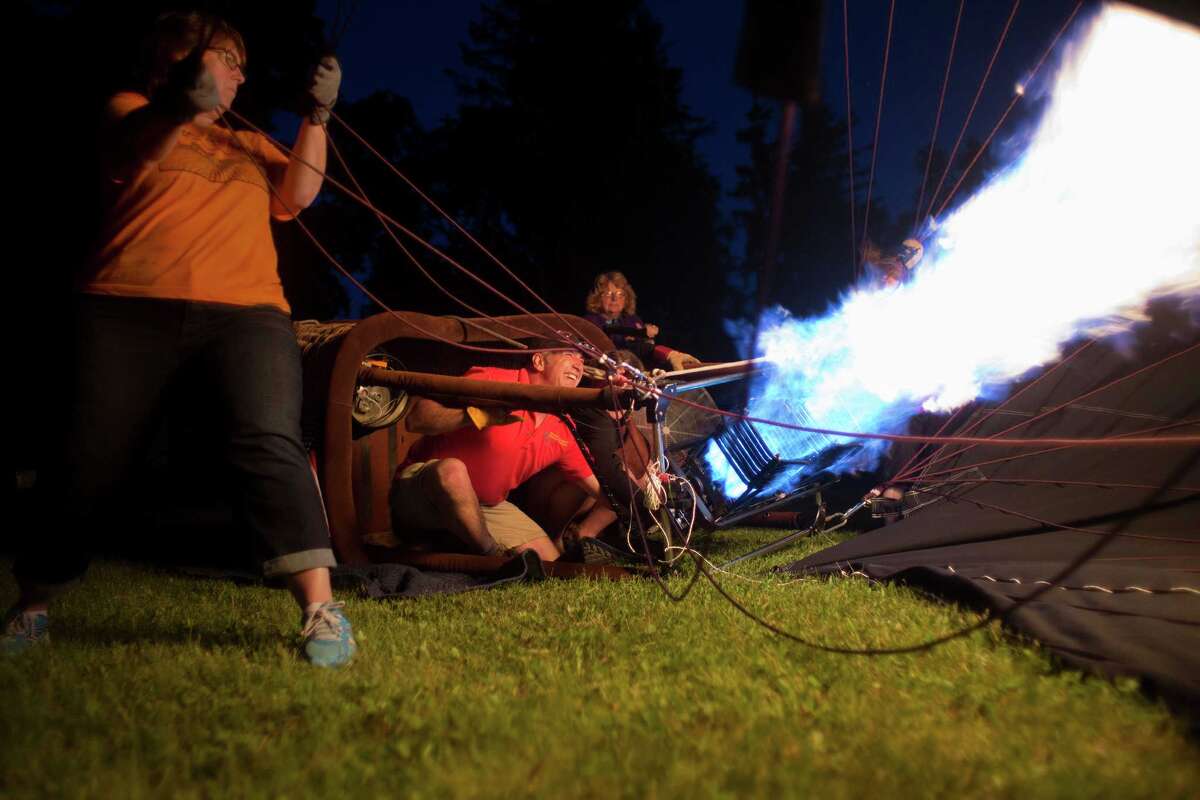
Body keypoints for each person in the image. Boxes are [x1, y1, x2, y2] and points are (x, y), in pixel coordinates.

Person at [1, 12, 356, 667]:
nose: (239, 74)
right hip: (125, 308)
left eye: (241, 65)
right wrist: (177, 106)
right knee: (88, 452)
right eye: (226, 59)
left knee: (270, 440)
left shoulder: (245, 144)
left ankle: (320, 606)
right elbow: (135, 148)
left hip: (248, 313)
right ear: (179, 60)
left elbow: (301, 191)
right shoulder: (129, 109)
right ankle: (33, 605)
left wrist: (317, 115)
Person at [388, 345, 610, 562]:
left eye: (582, 359)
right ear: (539, 361)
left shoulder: (562, 425)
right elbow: (416, 418)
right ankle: (491, 557)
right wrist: (475, 417)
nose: (578, 364)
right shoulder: (494, 380)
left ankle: (479, 549)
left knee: (550, 565)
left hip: (485, 506)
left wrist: (633, 505)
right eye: (569, 355)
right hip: (421, 491)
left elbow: (604, 492)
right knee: (452, 471)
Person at [584, 271, 700, 372]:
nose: (615, 298)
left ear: (626, 297)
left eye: (620, 294)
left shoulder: (633, 320)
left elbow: (645, 348)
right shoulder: (588, 323)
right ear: (598, 297)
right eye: (608, 294)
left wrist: (648, 339)